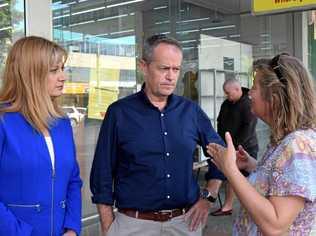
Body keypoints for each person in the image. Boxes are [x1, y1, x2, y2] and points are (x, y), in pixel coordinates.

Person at [90, 34, 224, 236]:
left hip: (185, 224)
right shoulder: (119, 113)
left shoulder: (190, 112)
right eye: (164, 68)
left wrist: (209, 197)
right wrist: (108, 226)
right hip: (133, 225)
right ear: (143, 66)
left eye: (176, 69)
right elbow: (102, 172)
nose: (171, 76)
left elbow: (222, 155)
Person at [207, 54, 316, 235]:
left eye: (254, 87)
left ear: (274, 96)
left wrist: (231, 171)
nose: (249, 93)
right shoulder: (287, 140)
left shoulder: (297, 145)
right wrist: (252, 166)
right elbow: (283, 183)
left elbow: (275, 224)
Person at [0, 36, 82, 236]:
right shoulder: (3, 121)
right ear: (30, 74)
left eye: (62, 69)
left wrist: (72, 228)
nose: (63, 77)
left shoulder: (62, 123)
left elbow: (73, 180)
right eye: (54, 71)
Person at [210, 78, 258, 216]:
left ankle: (252, 207)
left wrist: (236, 146)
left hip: (246, 147)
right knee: (230, 176)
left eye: (228, 93)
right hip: (228, 144)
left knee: (248, 179)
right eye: (225, 93)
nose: (226, 95)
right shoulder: (226, 103)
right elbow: (219, 121)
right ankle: (228, 206)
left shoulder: (248, 104)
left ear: (237, 90)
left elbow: (248, 128)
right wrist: (220, 141)